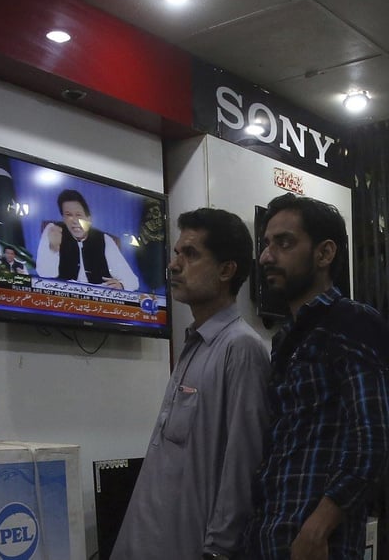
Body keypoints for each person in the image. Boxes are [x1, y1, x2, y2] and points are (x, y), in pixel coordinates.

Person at [111, 207, 269, 560]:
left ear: (227, 270)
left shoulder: (240, 348)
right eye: (177, 253)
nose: (174, 265)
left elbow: (243, 466)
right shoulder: (195, 343)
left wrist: (218, 551)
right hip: (146, 540)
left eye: (191, 254)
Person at [243, 193, 389, 560]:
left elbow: (372, 439)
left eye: (284, 243)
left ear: (324, 254)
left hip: (319, 544)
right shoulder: (284, 339)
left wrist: (319, 524)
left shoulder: (352, 321)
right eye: (266, 244)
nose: (266, 257)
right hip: (270, 535)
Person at [35, 189, 139, 290]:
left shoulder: (104, 239)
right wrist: (54, 248)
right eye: (68, 215)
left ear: (89, 219)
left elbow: (132, 281)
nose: (74, 221)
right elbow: (44, 274)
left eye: (79, 215)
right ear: (63, 218)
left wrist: (122, 285)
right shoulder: (53, 230)